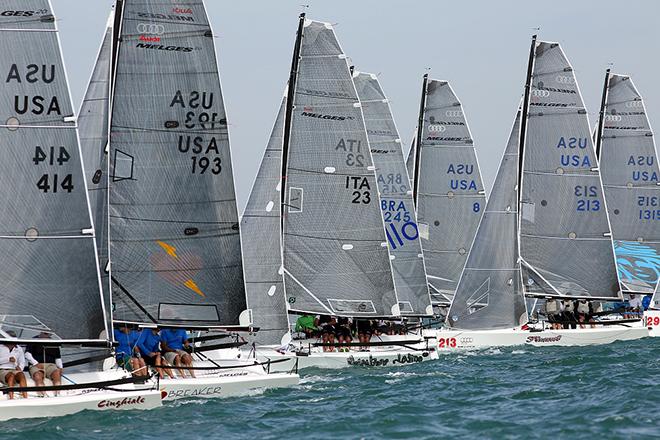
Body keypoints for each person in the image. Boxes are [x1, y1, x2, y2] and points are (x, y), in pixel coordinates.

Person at [25, 331, 63, 396]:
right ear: (41, 332)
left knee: (56, 373)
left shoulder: (53, 342)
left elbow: (58, 357)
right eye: (45, 333)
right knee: (37, 375)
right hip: (36, 365)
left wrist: (60, 367)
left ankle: (58, 393)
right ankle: (43, 394)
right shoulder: (33, 340)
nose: (47, 335)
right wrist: (35, 363)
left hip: (50, 365)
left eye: (48, 334)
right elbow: (27, 354)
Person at [0, 333, 28, 399]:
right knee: (11, 375)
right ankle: (11, 398)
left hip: (14, 369)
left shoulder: (19, 348)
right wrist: (7, 359)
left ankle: (25, 397)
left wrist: (20, 368)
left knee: (21, 375)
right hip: (2, 370)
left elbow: (22, 361)